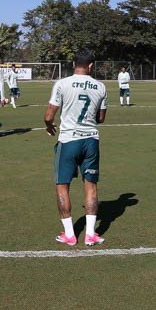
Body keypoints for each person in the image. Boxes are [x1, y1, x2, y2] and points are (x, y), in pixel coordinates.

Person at [44, 50, 108, 247]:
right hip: (91, 141)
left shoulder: (62, 84)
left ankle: (70, 235)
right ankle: (90, 234)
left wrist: (49, 125)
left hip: (69, 140)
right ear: (91, 66)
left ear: (73, 63)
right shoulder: (100, 86)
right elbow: (101, 118)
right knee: (91, 186)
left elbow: (49, 116)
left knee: (62, 185)